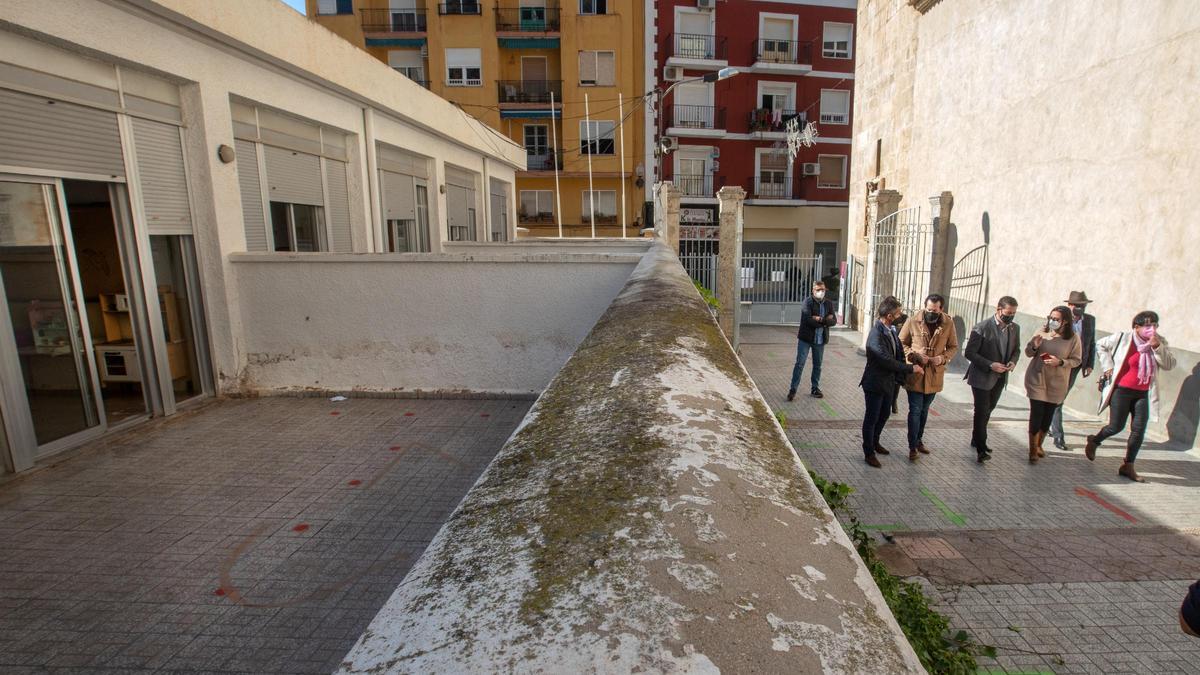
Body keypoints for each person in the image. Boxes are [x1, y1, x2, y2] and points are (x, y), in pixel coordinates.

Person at [1084, 310, 1176, 482]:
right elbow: (1100, 345)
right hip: (1122, 390)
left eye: (1155, 325)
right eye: (1148, 325)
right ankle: (1094, 441)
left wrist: (1157, 347)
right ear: (1137, 326)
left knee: (1139, 430)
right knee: (1116, 427)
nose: (1152, 329)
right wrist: (1108, 366)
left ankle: (1128, 465)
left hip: (1142, 393)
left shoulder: (1159, 342)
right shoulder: (1123, 338)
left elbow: (1170, 364)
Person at [860, 296, 922, 468]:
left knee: (884, 414)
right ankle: (868, 452)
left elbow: (899, 352)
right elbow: (886, 360)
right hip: (875, 383)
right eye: (898, 313)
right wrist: (910, 369)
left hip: (889, 382)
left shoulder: (891, 329)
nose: (900, 315)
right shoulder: (876, 334)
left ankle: (875, 442)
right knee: (872, 418)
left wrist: (904, 368)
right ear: (889, 315)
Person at [899, 294, 958, 461]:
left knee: (924, 411)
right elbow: (901, 343)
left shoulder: (948, 323)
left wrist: (943, 358)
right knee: (915, 410)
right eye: (928, 309)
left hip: (934, 375)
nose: (931, 313)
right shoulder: (912, 321)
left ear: (941, 309)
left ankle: (918, 440)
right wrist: (914, 355)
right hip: (917, 373)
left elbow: (953, 346)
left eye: (935, 310)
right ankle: (912, 446)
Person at [964, 296, 1021, 463]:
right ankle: (981, 449)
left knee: (989, 409)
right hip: (981, 376)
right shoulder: (982, 327)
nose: (1010, 316)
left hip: (1000, 377)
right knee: (981, 412)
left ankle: (977, 439)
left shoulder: (1014, 328)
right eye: (1008, 313)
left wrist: (1012, 362)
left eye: (1014, 313)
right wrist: (990, 365)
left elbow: (1016, 350)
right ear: (999, 310)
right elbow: (970, 353)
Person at [1023, 306, 1082, 463]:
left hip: (1057, 382)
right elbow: (1028, 352)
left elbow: (1077, 360)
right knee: (1036, 413)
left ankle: (1039, 444)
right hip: (1037, 378)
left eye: (1056, 319)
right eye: (1051, 318)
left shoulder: (1073, 338)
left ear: (1065, 322)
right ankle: (1032, 449)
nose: (1052, 321)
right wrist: (1034, 345)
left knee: (1047, 416)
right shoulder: (1042, 332)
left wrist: (1061, 362)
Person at [1050, 291, 1097, 449]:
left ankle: (1051, 426)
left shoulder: (1090, 321)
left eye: (1082, 306)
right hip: (1056, 365)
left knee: (1058, 399)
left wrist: (1089, 364)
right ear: (1069, 305)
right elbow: (1044, 342)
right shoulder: (1057, 319)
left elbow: (1092, 342)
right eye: (1076, 305)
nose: (1079, 308)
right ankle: (1058, 436)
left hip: (1075, 366)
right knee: (1057, 400)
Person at [787, 280, 837, 401]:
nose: (821, 292)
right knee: (800, 364)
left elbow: (834, 321)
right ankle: (793, 389)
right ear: (813, 291)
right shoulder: (807, 302)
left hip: (820, 340)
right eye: (818, 290)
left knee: (817, 365)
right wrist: (825, 321)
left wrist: (819, 319)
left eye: (823, 290)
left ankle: (815, 388)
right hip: (806, 339)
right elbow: (808, 320)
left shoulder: (828, 303)